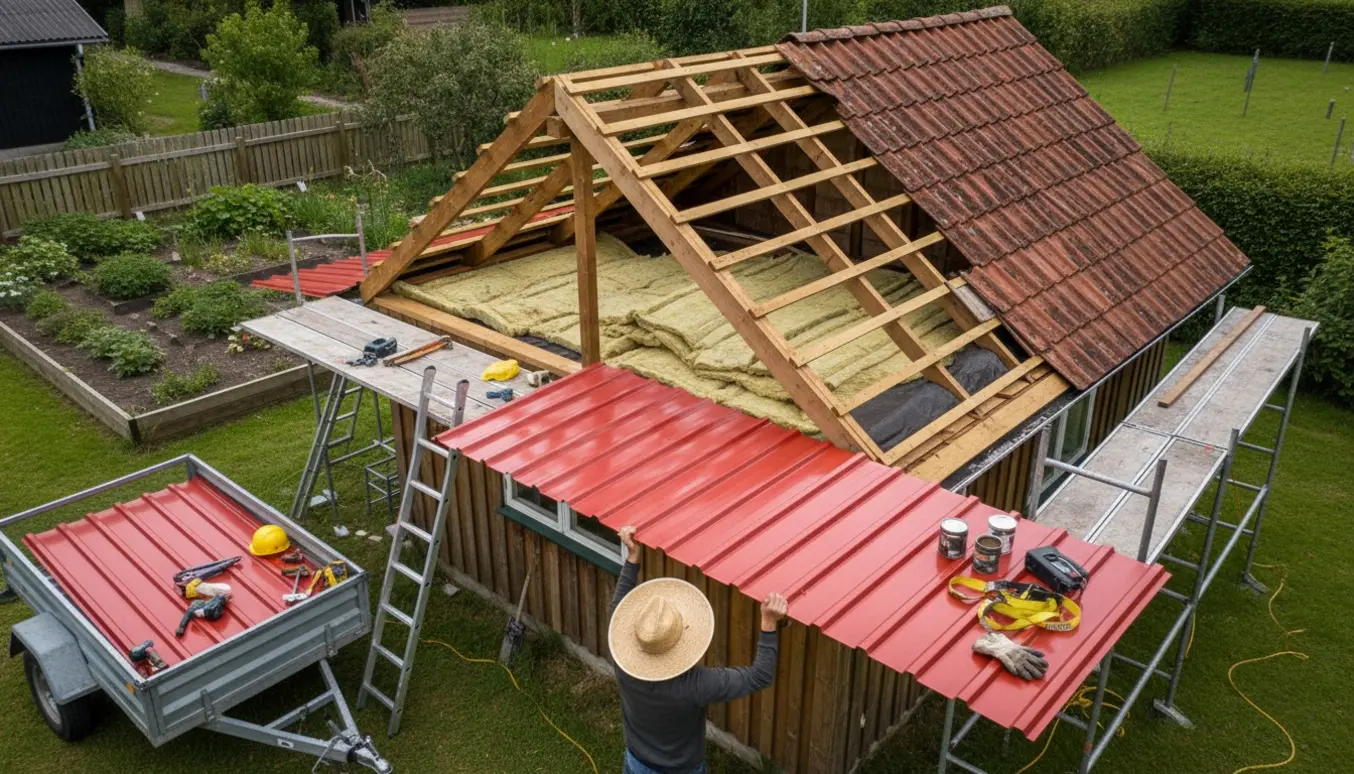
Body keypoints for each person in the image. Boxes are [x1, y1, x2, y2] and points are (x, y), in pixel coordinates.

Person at [609, 525, 788, 774]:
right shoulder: (694, 685)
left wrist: (632, 560)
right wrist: (769, 623)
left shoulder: (622, 661)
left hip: (636, 762)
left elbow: (616, 611)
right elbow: (760, 676)